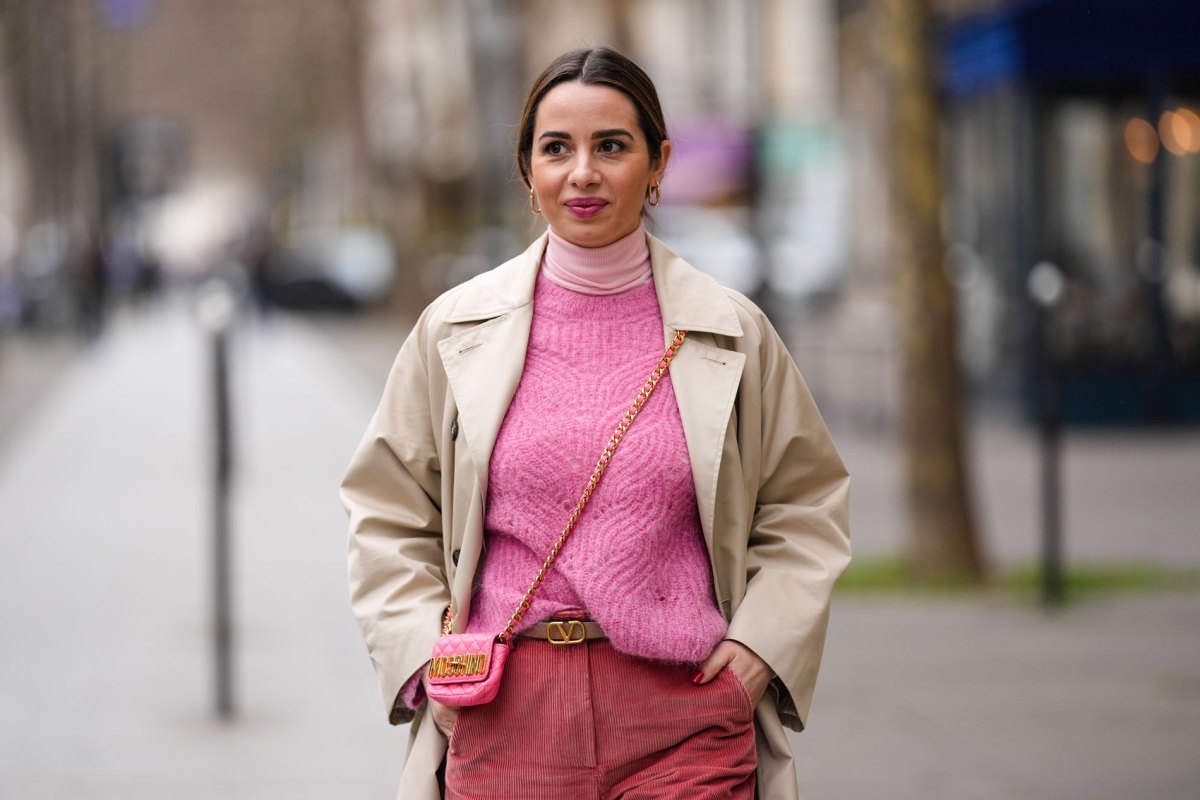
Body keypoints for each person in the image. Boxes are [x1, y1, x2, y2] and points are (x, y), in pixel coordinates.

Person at [341, 46, 850, 800]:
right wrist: (426, 662)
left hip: (685, 720)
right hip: (507, 718)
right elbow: (386, 512)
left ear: (657, 165)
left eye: (611, 146)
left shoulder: (732, 330)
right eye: (557, 149)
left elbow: (806, 506)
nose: (583, 172)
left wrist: (758, 652)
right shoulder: (454, 330)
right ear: (528, 171)